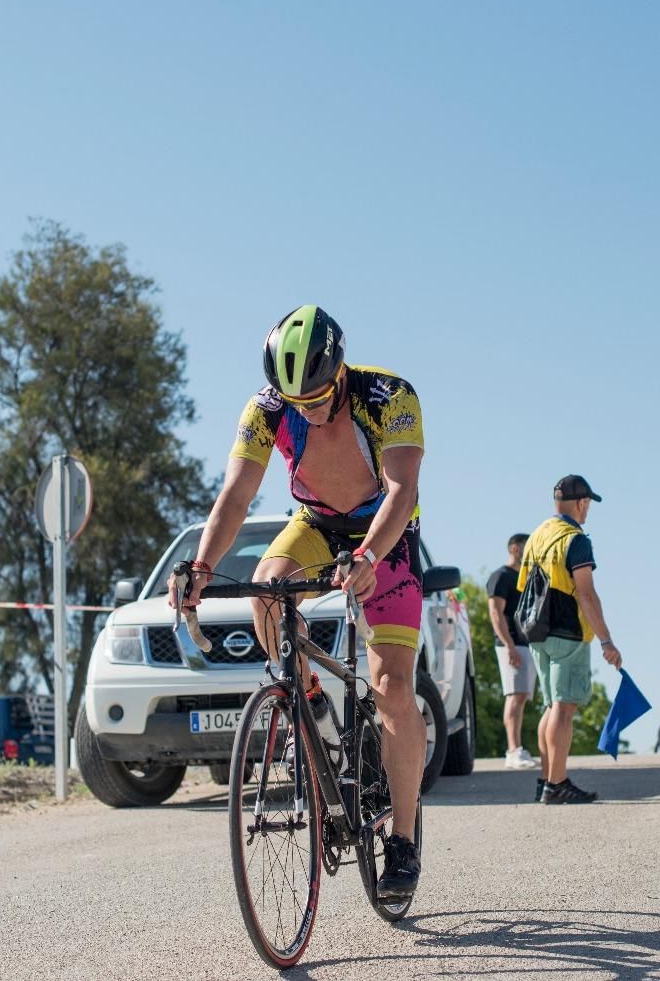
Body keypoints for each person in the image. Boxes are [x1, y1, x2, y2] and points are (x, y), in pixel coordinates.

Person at [172, 305, 427, 901]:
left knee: (392, 686)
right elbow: (236, 493)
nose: (306, 409)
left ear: (338, 371)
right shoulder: (264, 410)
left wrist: (366, 557)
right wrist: (203, 568)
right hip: (314, 524)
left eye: (316, 397)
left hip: (384, 535)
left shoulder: (388, 395)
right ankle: (306, 700)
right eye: (296, 401)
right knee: (266, 586)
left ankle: (405, 844)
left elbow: (401, 488)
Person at [518, 475, 621, 805]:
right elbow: (587, 594)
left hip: (537, 632)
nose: (588, 510)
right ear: (580, 502)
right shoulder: (575, 540)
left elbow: (524, 586)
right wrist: (606, 640)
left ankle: (546, 781)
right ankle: (558, 782)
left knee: (551, 706)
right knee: (564, 709)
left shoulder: (537, 535)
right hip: (568, 632)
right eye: (588, 504)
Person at [487, 533, 539, 769]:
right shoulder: (501, 576)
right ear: (515, 548)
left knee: (522, 697)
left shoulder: (526, 578)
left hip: (527, 644)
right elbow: (496, 613)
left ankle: (519, 748)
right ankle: (512, 750)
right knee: (515, 696)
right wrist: (508, 645)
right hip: (510, 644)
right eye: (527, 546)